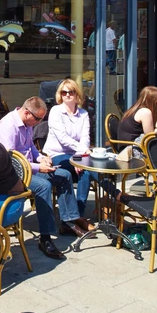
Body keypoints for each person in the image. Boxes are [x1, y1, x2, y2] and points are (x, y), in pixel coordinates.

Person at [0, 97, 83, 260]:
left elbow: (31, 148)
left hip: (28, 168)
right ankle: (45, 238)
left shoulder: (26, 123)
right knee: (43, 186)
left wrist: (41, 158)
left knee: (64, 175)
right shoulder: (8, 127)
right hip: (11, 174)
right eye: (38, 119)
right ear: (27, 113)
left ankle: (68, 221)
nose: (39, 122)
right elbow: (11, 161)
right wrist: (38, 167)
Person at [41, 79, 96, 230]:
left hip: (76, 153)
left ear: (76, 94)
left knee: (86, 171)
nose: (67, 95)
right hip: (57, 154)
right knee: (89, 167)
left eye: (70, 92)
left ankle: (78, 215)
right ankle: (116, 194)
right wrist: (80, 157)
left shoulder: (83, 114)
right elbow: (63, 139)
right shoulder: (56, 111)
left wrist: (80, 156)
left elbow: (85, 138)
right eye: (63, 92)